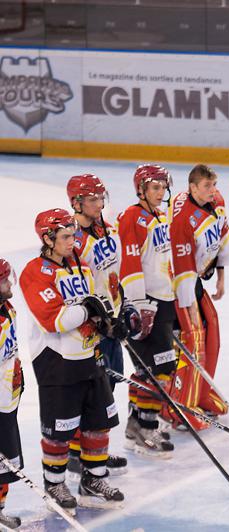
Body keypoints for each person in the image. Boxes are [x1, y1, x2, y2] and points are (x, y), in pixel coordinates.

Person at [21, 209, 126, 511]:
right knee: (60, 429)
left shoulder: (81, 264)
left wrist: (110, 322)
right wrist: (88, 309)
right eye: (65, 236)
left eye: (73, 234)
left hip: (89, 355)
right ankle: (54, 483)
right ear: (48, 239)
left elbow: (99, 302)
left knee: (99, 421)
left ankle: (93, 481)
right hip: (56, 362)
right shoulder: (35, 271)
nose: (73, 240)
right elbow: (54, 319)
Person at [66, 174, 130, 479]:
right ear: (76, 203)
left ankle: (93, 449)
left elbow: (114, 272)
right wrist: (100, 322)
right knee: (91, 392)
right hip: (92, 330)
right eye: (92, 199)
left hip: (112, 321)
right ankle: (76, 452)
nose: (98, 203)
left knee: (109, 387)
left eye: (100, 198)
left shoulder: (109, 229)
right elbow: (77, 291)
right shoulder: (72, 241)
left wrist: (123, 304)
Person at [168, 164, 229, 426]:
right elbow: (182, 265)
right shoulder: (183, 218)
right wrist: (189, 304)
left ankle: (201, 392)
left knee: (212, 330)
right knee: (193, 339)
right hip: (178, 285)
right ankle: (181, 404)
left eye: (214, 184)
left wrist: (220, 276)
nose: (213, 190)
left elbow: (224, 237)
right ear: (192, 187)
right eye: (207, 186)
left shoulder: (216, 202)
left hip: (195, 278)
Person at [118, 165, 177, 457]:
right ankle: (146, 427)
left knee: (149, 369)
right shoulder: (132, 217)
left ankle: (135, 426)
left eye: (163, 187)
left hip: (164, 299)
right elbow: (129, 262)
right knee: (159, 369)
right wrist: (138, 304)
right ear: (140, 189)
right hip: (146, 303)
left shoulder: (160, 216)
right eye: (154, 187)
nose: (160, 192)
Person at [0, 258, 23, 529]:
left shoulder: (7, 308)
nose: (9, 284)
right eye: (4, 280)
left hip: (8, 394)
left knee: (6, 462)